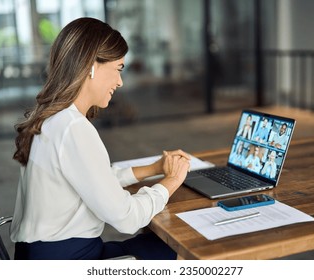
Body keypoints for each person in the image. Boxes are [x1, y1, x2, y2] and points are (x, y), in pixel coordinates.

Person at [10, 17, 191, 260]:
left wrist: (154, 168)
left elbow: (94, 178)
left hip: (43, 256)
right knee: (181, 250)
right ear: (91, 65)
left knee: (154, 245)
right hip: (71, 261)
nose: (120, 81)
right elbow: (127, 218)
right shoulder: (73, 127)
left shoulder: (50, 120)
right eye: (118, 69)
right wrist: (172, 181)